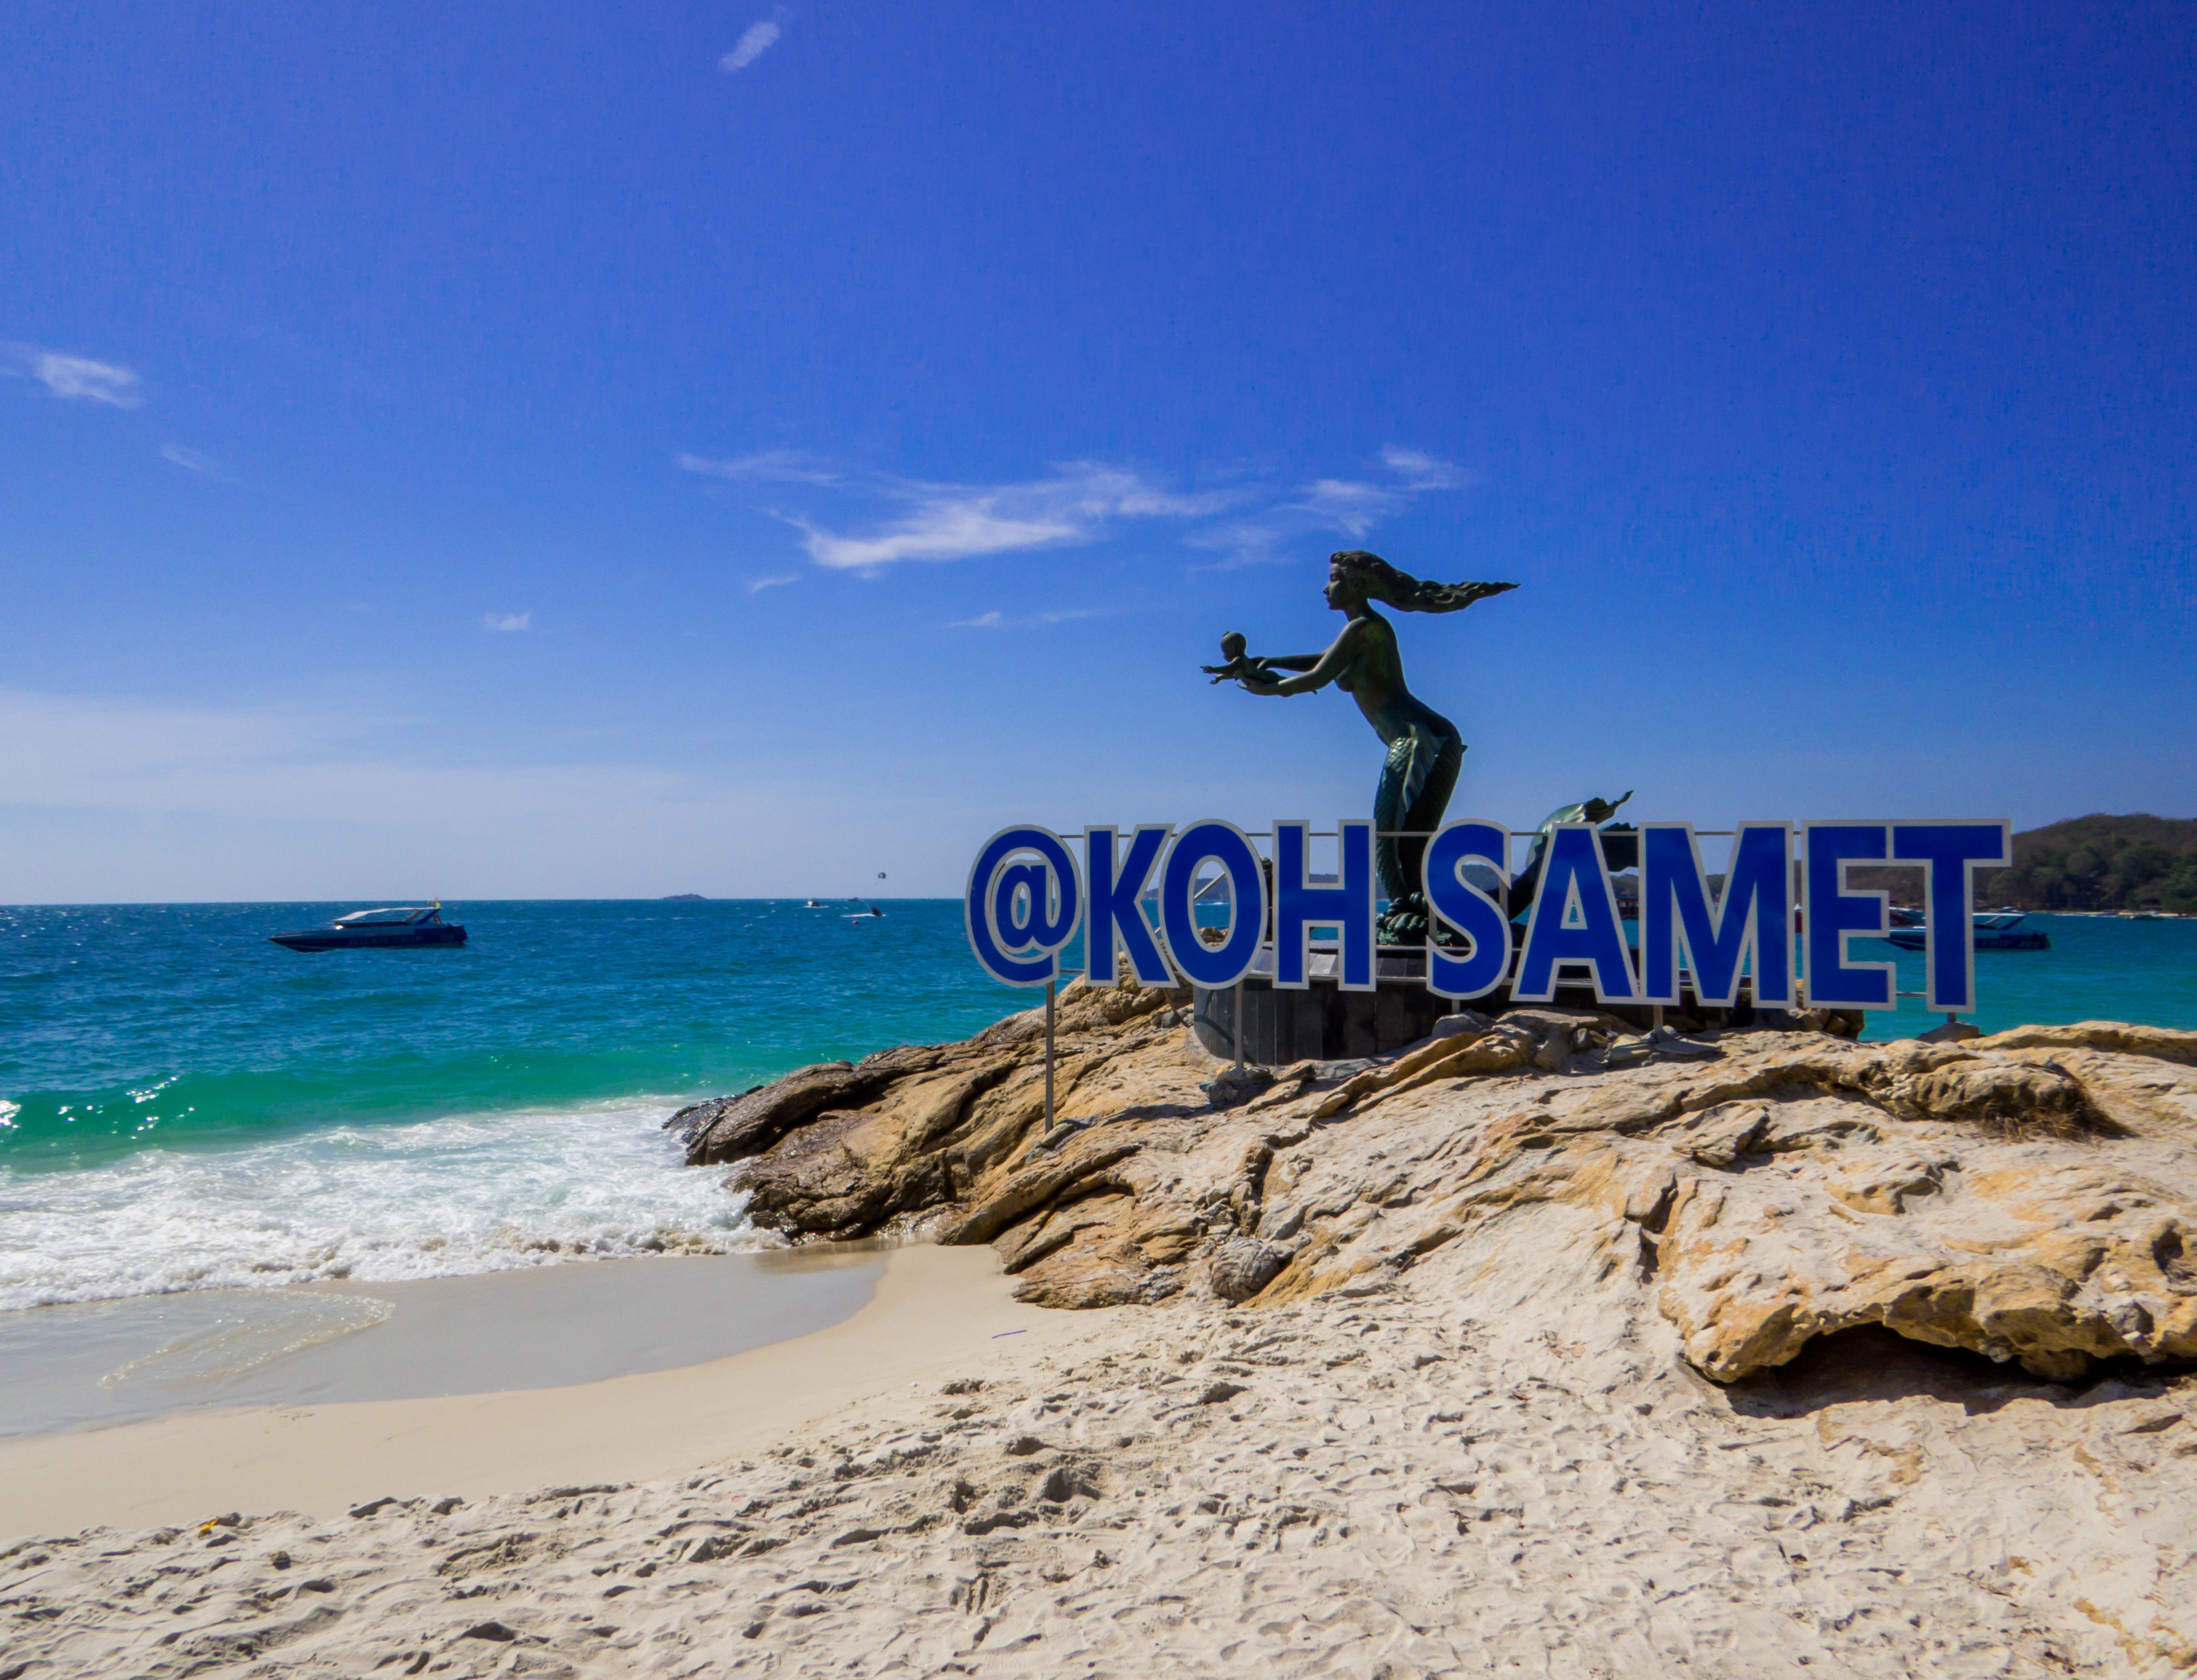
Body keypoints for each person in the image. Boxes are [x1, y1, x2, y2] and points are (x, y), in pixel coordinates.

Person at [1205, 551, 1514, 926]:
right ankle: (1432, 914)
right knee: (1410, 840)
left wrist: (1265, 690)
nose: (1325, 588)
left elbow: (1317, 678)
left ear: (1355, 584)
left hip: (1419, 739)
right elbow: (1324, 661)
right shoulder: (1360, 630)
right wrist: (1271, 663)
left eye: (1334, 579)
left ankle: (1407, 914)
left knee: (1388, 836)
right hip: (1432, 738)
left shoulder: (1365, 628)